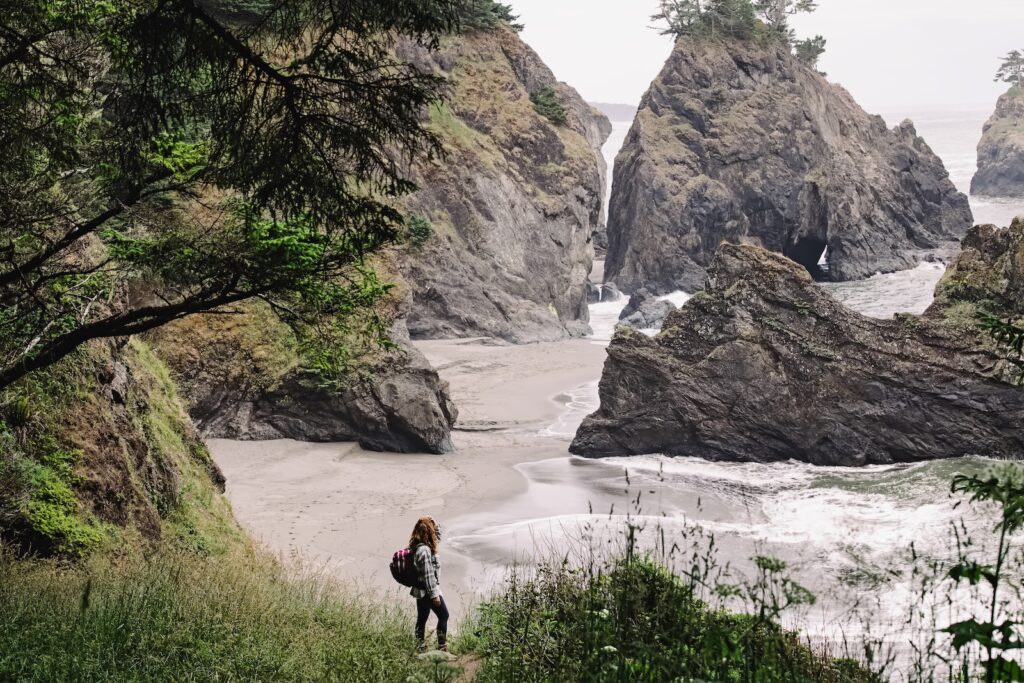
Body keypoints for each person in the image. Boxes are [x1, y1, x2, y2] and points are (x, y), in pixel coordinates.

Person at [408, 516, 449, 653]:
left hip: (420, 590)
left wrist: (434, 522)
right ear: (428, 533)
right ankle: (442, 647)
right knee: (444, 615)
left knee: (421, 619)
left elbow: (438, 537)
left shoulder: (418, 546)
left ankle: (420, 647)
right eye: (432, 530)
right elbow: (428, 574)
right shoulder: (424, 551)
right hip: (427, 590)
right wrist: (434, 595)